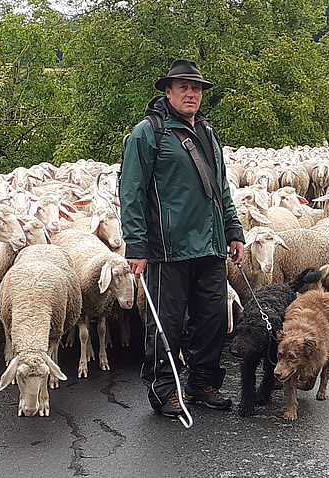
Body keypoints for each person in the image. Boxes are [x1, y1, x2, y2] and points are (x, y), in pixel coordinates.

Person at [120, 59, 245, 418]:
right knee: (166, 324)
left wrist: (233, 229)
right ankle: (163, 390)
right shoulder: (148, 133)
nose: (191, 94)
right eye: (184, 87)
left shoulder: (207, 131)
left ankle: (202, 383)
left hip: (210, 244)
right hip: (168, 247)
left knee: (213, 320)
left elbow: (220, 187)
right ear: (168, 91)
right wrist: (136, 244)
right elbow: (132, 191)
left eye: (197, 88)